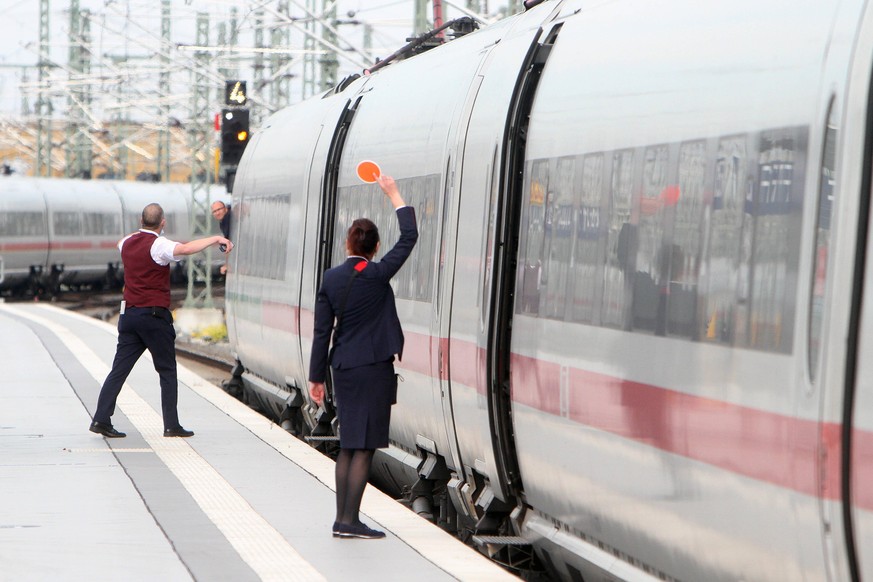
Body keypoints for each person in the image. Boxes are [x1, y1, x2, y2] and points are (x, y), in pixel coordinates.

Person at [308, 174, 417, 540]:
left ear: (347, 244)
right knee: (365, 446)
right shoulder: (379, 274)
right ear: (375, 247)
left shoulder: (331, 278)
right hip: (373, 369)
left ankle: (343, 519)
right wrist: (394, 194)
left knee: (348, 444)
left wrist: (316, 378)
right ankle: (350, 522)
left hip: (342, 367)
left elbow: (322, 332)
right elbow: (410, 238)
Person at [89, 203, 233, 439]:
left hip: (129, 317)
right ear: (162, 223)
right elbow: (185, 249)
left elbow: (130, 241)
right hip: (154, 317)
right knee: (166, 369)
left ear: (140, 220)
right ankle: (171, 424)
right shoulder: (159, 245)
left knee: (119, 370)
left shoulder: (126, 242)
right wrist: (216, 237)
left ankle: (101, 419)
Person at [211, 201, 232, 275]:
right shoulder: (223, 221)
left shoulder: (227, 219)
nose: (217, 213)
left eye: (219, 209)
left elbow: (229, 244)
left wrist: (227, 264)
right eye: (214, 211)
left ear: (225, 209)